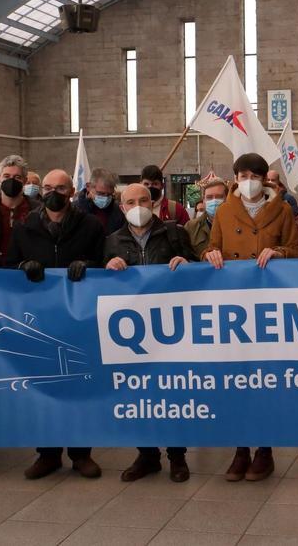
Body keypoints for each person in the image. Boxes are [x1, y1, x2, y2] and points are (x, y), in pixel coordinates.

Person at [204, 153, 298, 482]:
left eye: (253, 175)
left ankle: (265, 450)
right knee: (237, 380)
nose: (248, 181)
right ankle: (241, 448)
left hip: (269, 307)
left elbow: (296, 250)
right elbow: (211, 247)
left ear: (264, 180)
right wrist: (210, 254)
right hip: (235, 306)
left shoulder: (283, 210)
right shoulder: (225, 210)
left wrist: (280, 253)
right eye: (242, 174)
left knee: (265, 380)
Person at [8, 169, 105, 480]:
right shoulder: (25, 226)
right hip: (39, 318)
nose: (53, 193)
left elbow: (105, 261)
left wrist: (89, 266)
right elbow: (8, 265)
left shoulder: (89, 225)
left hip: (79, 316)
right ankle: (47, 454)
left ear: (71, 190)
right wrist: (25, 266)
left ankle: (81, 454)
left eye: (60, 188)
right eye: (47, 187)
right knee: (43, 388)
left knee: (79, 385)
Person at [104, 184, 196, 482]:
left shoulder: (174, 233)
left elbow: (200, 271)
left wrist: (187, 265)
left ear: (154, 202)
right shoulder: (112, 241)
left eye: (143, 200)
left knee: (171, 392)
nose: (138, 205)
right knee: (137, 393)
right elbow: (98, 282)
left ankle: (177, 456)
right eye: (130, 202)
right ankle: (147, 455)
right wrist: (106, 267)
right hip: (131, 334)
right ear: (122, 207)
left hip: (170, 328)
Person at [0, 155, 42, 262]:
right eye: (6, 176)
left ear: (25, 181)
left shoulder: (39, 210)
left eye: (17, 177)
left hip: (27, 271)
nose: (11, 181)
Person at [73, 167, 126, 234]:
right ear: (88, 187)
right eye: (101, 193)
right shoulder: (74, 209)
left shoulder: (119, 210)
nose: (105, 198)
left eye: (109, 194)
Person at [185, 179, 228, 259]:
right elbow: (187, 257)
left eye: (219, 197)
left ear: (227, 198)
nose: (214, 201)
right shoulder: (191, 227)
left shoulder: (237, 225)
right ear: (204, 201)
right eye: (209, 197)